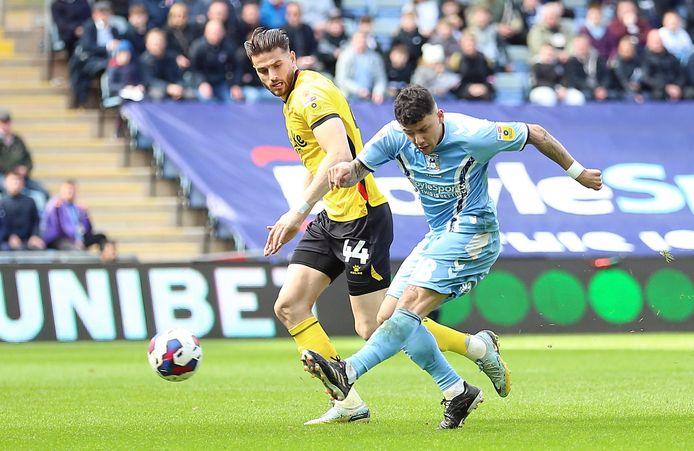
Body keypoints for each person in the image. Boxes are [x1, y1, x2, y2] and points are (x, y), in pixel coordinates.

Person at [302, 84, 602, 428]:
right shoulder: (393, 136)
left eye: (425, 130)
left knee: (410, 305)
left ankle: (349, 370)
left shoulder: (474, 134)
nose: (419, 140)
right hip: (438, 235)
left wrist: (577, 173)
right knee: (384, 320)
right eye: (411, 133)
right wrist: (345, 173)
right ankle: (458, 388)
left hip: (475, 233)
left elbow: (536, 133)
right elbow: (358, 168)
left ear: (439, 116)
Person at [244, 28, 501, 425]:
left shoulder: (311, 94)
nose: (271, 75)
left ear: (293, 58)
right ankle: (348, 404)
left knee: (373, 325)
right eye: (262, 70)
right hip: (332, 217)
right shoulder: (292, 96)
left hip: (361, 218)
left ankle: (471, 355)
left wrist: (296, 212)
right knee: (290, 306)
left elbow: (339, 154)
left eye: (277, 65)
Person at [42, 179, 109, 252]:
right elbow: (59, 228)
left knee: (101, 237)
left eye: (72, 190)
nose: (71, 192)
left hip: (76, 239)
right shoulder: (55, 205)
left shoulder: (76, 208)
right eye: (68, 189)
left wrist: (85, 215)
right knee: (71, 247)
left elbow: (88, 230)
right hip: (58, 239)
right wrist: (75, 240)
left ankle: (105, 258)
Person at [0, 110, 50, 207]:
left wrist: (26, 169)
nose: (5, 125)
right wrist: (13, 170)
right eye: (2, 122)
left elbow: (28, 159)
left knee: (44, 193)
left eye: (7, 122)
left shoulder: (17, 140)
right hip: (3, 176)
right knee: (9, 193)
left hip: (22, 177)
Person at [0, 172, 45, 251]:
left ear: (23, 183)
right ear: (6, 183)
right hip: (7, 240)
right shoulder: (3, 203)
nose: (15, 184)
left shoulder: (30, 202)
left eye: (18, 181)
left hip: (27, 239)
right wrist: (10, 236)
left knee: (39, 248)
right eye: (12, 181)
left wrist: (34, 236)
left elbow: (36, 221)